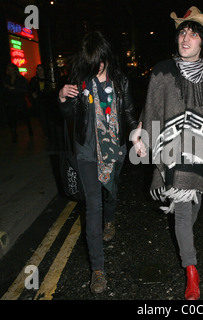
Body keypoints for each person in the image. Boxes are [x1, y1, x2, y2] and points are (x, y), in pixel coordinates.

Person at [135, 6, 203, 300]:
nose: (186, 38)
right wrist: (141, 134)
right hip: (172, 151)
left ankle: (186, 247)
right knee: (181, 211)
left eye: (193, 34)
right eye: (182, 32)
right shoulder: (162, 70)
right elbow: (151, 107)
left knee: (192, 208)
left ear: (202, 43)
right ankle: (191, 271)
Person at [58, 31, 138, 293]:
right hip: (86, 152)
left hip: (115, 150)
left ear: (105, 56)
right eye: (91, 63)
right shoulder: (80, 83)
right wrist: (62, 98)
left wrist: (136, 131)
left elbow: (128, 114)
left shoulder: (120, 81)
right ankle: (98, 270)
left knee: (110, 192)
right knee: (93, 207)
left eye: (99, 61)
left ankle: (110, 219)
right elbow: (69, 115)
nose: (96, 67)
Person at [3, 63, 33, 143]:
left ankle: (30, 129)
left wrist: (14, 88)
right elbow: (4, 92)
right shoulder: (6, 80)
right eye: (8, 69)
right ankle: (14, 134)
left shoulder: (21, 79)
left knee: (25, 116)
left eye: (11, 69)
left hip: (20, 101)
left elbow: (25, 90)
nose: (10, 71)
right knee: (11, 119)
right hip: (11, 102)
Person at [29, 64, 52, 138]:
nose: (39, 72)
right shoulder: (34, 80)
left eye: (41, 69)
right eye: (38, 70)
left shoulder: (49, 79)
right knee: (43, 119)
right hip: (39, 103)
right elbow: (30, 90)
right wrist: (33, 94)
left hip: (48, 102)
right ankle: (47, 134)